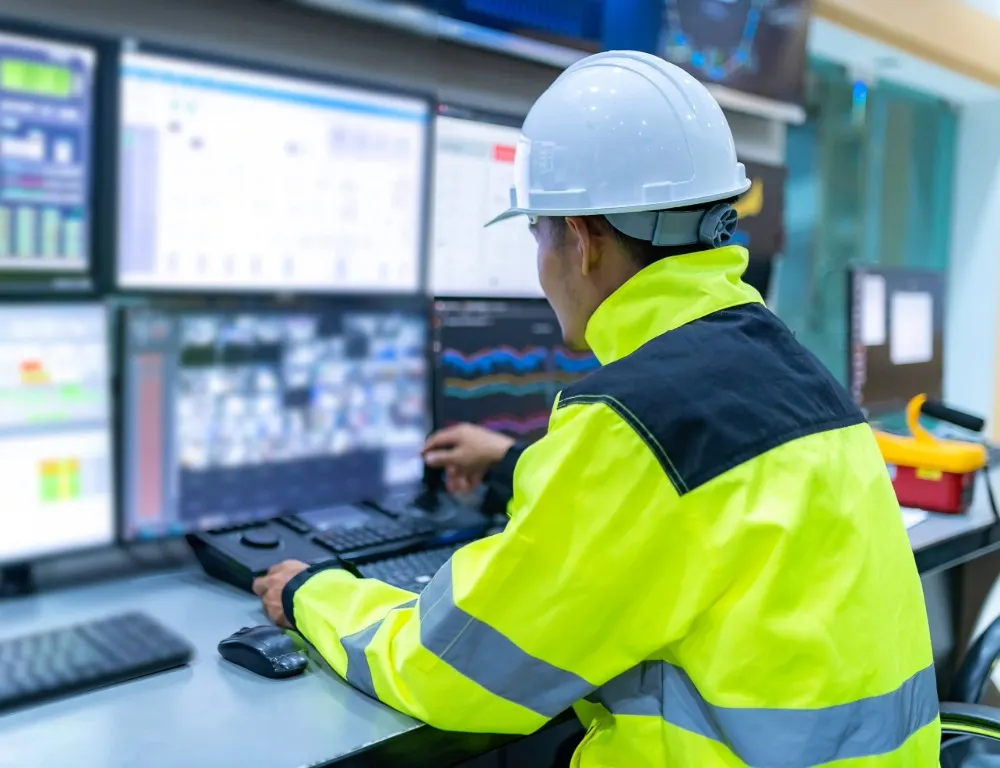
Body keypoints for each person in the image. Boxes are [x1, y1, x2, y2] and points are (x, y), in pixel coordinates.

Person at [253, 51, 939, 765]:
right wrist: (514, 465)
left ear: (580, 240)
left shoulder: (634, 424)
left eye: (536, 232)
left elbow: (454, 669)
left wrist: (313, 594)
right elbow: (695, 515)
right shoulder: (796, 373)